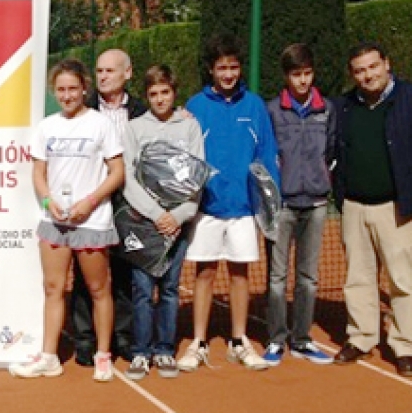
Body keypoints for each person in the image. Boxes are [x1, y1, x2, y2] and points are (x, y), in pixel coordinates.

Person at [9, 58, 124, 381]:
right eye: (61, 89)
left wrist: (89, 202)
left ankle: (103, 355)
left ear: (84, 89)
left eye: (73, 88)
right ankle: (49, 357)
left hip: (92, 220)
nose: (67, 95)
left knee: (99, 289)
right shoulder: (47, 126)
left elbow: (117, 172)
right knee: (52, 288)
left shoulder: (101, 124)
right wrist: (48, 200)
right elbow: (39, 172)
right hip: (56, 221)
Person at [177, 34, 279, 373]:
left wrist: (269, 199)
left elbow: (266, 154)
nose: (228, 74)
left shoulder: (255, 106)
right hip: (206, 208)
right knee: (204, 273)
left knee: (240, 274)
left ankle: (238, 340)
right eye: (222, 68)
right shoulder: (195, 106)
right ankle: (199, 342)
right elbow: (185, 157)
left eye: (234, 67)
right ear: (211, 70)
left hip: (244, 209)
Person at [332, 42, 412, 376]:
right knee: (357, 278)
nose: (368, 75)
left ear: (387, 64)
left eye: (373, 67)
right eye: (360, 70)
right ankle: (361, 336)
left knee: (403, 279)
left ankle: (405, 345)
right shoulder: (345, 106)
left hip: (395, 206)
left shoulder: (408, 99)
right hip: (353, 206)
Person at [121, 65, 204, 380]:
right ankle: (141, 352)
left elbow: (197, 176)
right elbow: (128, 178)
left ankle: (165, 350)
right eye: (153, 94)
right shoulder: (134, 129)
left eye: (165, 92)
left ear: (174, 92)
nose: (159, 99)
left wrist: (179, 216)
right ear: (147, 96)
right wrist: (155, 215)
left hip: (177, 225)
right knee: (142, 289)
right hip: (145, 224)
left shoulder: (189, 127)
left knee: (169, 289)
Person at [67, 49, 146, 365]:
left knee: (126, 272)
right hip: (92, 205)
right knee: (87, 274)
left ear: (128, 73)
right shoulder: (82, 111)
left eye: (110, 71)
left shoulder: (142, 110)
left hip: (131, 205)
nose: (103, 76)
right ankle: (85, 339)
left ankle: (123, 337)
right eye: (98, 71)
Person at [263, 44, 335, 366]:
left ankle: (302, 339)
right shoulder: (272, 110)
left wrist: (324, 179)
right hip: (283, 206)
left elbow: (332, 150)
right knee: (277, 278)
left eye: (307, 73)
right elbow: (266, 154)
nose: (303, 81)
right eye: (296, 74)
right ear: (286, 76)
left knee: (308, 277)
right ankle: (277, 339)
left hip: (317, 203)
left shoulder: (327, 110)